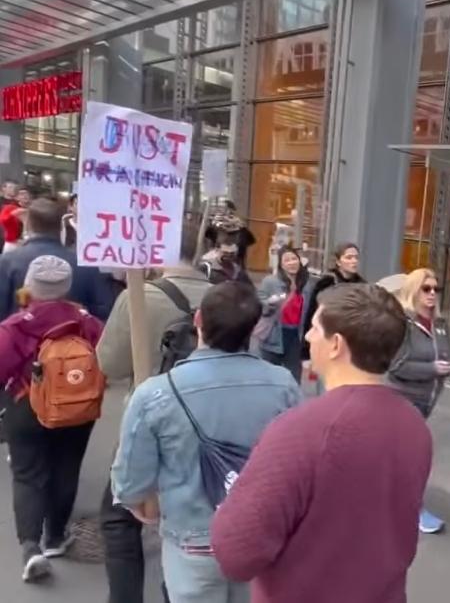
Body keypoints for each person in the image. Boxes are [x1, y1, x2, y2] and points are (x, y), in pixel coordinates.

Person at [211, 284, 432, 603]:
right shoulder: (414, 426)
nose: (308, 337)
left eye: (315, 327)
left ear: (336, 345)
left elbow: (236, 552)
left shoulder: (300, 431)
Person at [112, 281, 300, 603]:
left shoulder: (156, 393)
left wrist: (144, 506)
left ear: (198, 320)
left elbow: (130, 483)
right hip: (260, 537)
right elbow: (298, 463)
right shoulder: (283, 385)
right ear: (255, 327)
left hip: (192, 541)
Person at [97, 239, 211, 603]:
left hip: (147, 415)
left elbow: (109, 364)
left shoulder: (140, 296)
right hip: (206, 423)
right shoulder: (226, 298)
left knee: (120, 515)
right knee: (185, 521)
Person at [0, 256, 103, 581]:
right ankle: (56, 537)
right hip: (77, 407)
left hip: (26, 404)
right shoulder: (87, 322)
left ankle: (31, 548)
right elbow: (107, 360)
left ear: (30, 285)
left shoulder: (15, 326)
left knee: (28, 474)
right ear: (67, 286)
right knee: (66, 467)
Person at [387, 268, 450, 534]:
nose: (432, 294)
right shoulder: (403, 323)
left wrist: (448, 367)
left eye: (436, 289)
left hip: (428, 400)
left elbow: (447, 351)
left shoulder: (439, 323)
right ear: (413, 291)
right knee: (414, 457)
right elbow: (395, 365)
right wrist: (431, 370)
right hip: (403, 399)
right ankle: (414, 509)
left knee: (396, 457)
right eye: (426, 289)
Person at [0, 198, 114, 320]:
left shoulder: (7, 262)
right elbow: (105, 312)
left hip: (17, 337)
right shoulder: (86, 265)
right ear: (61, 227)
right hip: (74, 335)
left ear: (28, 226)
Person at [256, 247, 314, 382]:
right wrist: (269, 303)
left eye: (294, 259)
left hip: (295, 336)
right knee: (268, 377)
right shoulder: (270, 281)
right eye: (287, 260)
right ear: (281, 264)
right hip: (274, 334)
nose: (291, 263)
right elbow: (259, 302)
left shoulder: (306, 284)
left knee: (294, 378)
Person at [198, 219, 252, 285]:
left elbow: (249, 289)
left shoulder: (238, 271)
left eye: (231, 254)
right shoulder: (207, 267)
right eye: (226, 253)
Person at [0, 183, 30, 252]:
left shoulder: (33, 209)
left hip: (29, 243)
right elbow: (3, 222)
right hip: (12, 243)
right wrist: (14, 214)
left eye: (26, 194)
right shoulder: (9, 208)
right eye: (21, 194)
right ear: (16, 197)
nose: (25, 196)